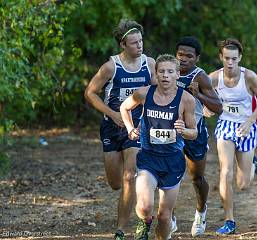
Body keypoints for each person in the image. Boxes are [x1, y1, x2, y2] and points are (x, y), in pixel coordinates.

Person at [84, 19, 156, 240]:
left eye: (141, 41)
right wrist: (113, 113)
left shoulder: (149, 63)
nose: (139, 46)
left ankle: (121, 230)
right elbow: (90, 93)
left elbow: (157, 90)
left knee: (128, 176)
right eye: (134, 43)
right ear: (123, 45)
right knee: (116, 183)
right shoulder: (111, 67)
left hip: (136, 126)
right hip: (111, 126)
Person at [120, 54, 198, 240]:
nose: (165, 75)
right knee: (145, 207)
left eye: (170, 71)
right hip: (149, 158)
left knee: (164, 216)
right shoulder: (145, 93)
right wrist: (130, 129)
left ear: (177, 75)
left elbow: (194, 132)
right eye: (161, 71)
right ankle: (144, 222)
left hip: (173, 161)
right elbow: (124, 107)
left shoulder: (186, 99)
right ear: (155, 74)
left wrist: (183, 130)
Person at [209, 38, 257, 235]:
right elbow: (199, 94)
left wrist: (251, 120)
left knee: (243, 184)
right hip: (226, 125)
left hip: (247, 126)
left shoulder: (249, 77)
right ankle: (229, 221)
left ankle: (253, 164)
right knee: (225, 173)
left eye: (234, 58)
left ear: (240, 58)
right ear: (221, 57)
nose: (230, 62)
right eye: (226, 58)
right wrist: (206, 108)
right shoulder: (214, 78)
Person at [171, 36, 223, 236]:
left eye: (189, 56)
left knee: (197, 178)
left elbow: (218, 107)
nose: (183, 59)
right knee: (168, 177)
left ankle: (201, 212)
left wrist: (198, 94)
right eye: (180, 55)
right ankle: (169, 216)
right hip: (172, 130)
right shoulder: (166, 71)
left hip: (195, 131)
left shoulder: (199, 77)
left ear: (197, 58)